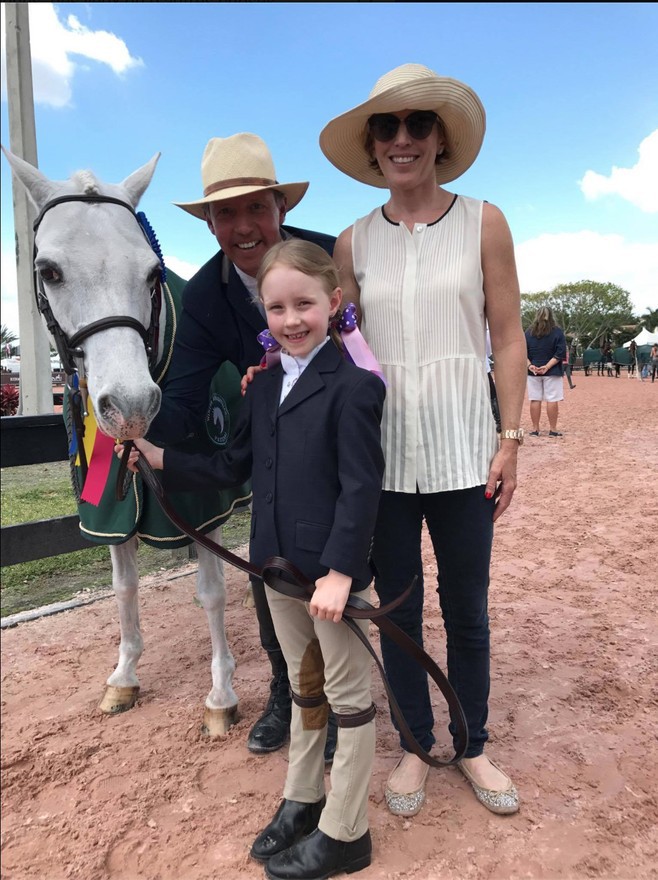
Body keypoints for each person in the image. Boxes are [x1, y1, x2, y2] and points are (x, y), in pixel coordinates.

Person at [121, 239, 386, 880]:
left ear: (334, 304)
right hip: (272, 566)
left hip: (328, 576)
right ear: (263, 314)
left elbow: (361, 488)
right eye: (277, 308)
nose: (292, 320)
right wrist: (161, 460)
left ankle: (347, 830)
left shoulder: (355, 388)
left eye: (305, 305)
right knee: (303, 687)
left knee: (349, 696)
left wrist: (342, 572)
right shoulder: (262, 387)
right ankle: (303, 798)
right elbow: (234, 465)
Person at [319, 63, 527, 817]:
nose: (402, 139)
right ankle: (414, 745)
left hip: (466, 449)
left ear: (440, 138)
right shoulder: (351, 242)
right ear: (373, 145)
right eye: (387, 127)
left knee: (467, 606)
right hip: (384, 459)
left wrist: (510, 440)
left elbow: (506, 337)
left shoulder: (485, 221)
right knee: (399, 608)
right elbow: (339, 352)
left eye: (417, 125)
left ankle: (472, 744)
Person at [147, 133, 338, 760]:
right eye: (225, 212)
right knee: (270, 565)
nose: (243, 226)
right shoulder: (203, 297)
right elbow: (181, 404)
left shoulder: (333, 256)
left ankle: (350, 691)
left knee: (355, 573)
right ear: (208, 223)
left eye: (256, 207)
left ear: (280, 207)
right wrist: (130, 417)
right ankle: (286, 690)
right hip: (279, 458)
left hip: (348, 442)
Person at [525, 306, 567, 436]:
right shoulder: (557, 332)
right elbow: (560, 352)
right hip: (552, 371)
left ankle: (535, 429)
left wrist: (530, 366)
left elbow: (522, 351)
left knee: (535, 399)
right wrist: (547, 366)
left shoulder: (528, 332)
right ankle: (553, 429)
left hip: (533, 372)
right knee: (552, 399)